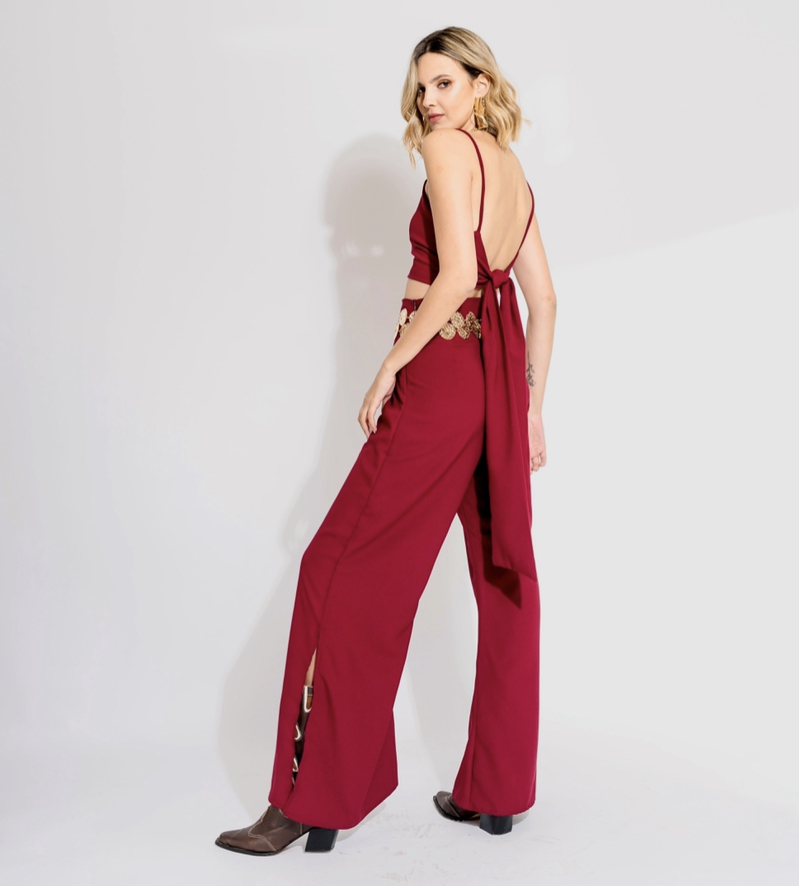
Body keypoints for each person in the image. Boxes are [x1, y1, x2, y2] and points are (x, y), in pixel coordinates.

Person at [215, 25, 558, 857]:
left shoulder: (445, 151)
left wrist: (388, 367)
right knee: (505, 576)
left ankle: (309, 800)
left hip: (440, 378)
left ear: (480, 84)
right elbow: (544, 300)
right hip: (494, 381)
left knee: (333, 570)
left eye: (445, 83)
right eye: (421, 87)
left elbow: (458, 275)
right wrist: (529, 407)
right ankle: (497, 792)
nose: (429, 101)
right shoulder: (512, 170)